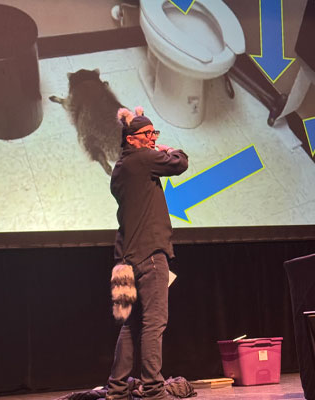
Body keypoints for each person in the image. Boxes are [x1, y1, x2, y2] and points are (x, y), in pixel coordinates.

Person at [105, 106, 188, 400]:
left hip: (126, 258)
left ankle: (117, 388)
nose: (153, 138)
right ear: (131, 139)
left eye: (155, 133)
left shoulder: (120, 168)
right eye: (147, 134)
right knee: (154, 323)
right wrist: (167, 149)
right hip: (150, 255)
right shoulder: (142, 159)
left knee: (131, 324)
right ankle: (153, 388)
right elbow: (180, 163)